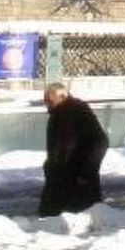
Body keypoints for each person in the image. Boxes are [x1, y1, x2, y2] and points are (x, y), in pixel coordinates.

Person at [39, 82, 109, 216]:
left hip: (76, 177)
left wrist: (87, 171)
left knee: (77, 216)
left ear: (62, 96)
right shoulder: (60, 114)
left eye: (49, 100)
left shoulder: (74, 111)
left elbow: (100, 142)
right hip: (66, 176)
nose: (47, 104)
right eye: (45, 101)